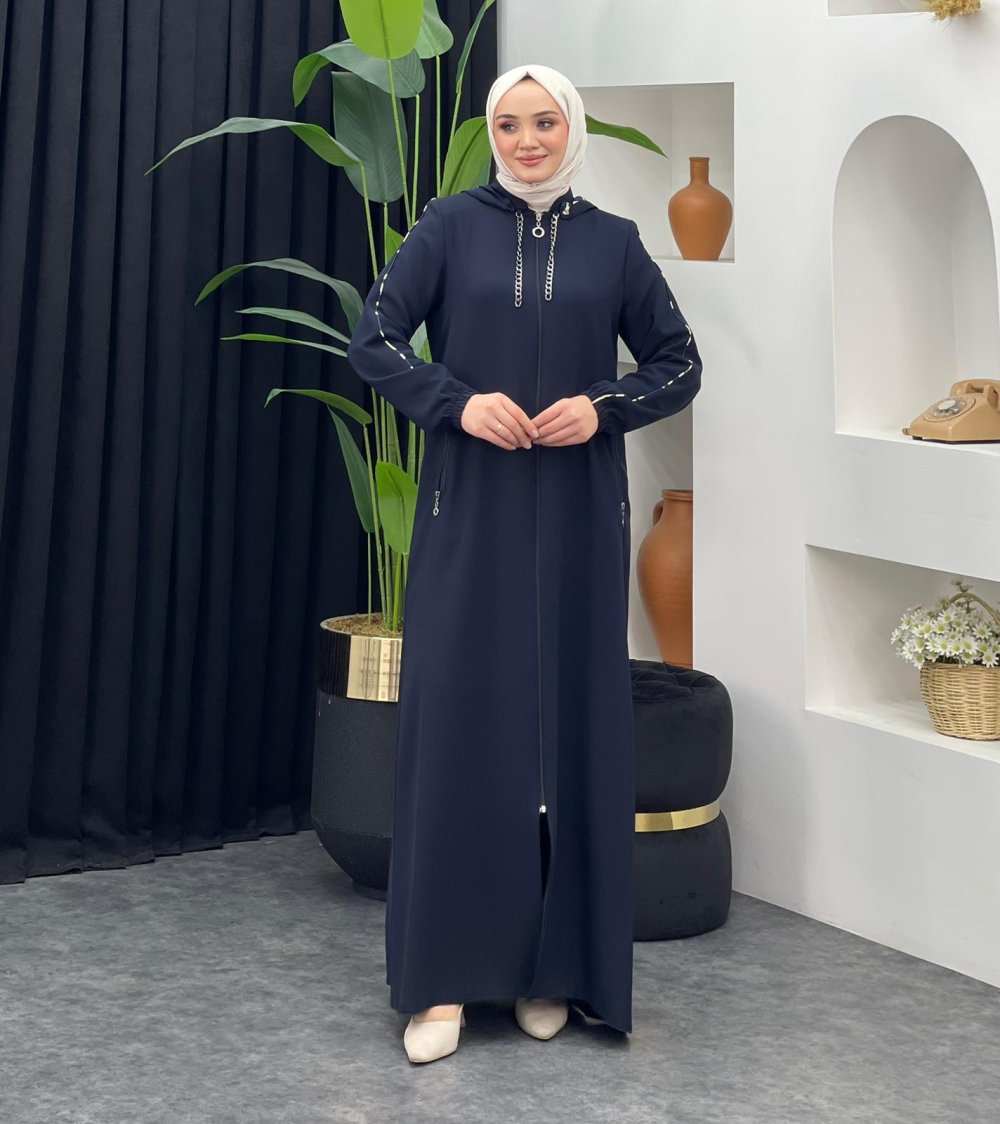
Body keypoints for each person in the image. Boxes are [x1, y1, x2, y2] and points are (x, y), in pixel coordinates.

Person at [346, 63, 703, 1063]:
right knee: (464, 732)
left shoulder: (614, 242)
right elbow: (373, 340)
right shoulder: (447, 228)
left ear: (571, 128)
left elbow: (679, 361)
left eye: (545, 122)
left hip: (582, 514)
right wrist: (456, 403)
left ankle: (558, 970)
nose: (527, 140)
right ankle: (444, 984)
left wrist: (605, 406)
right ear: (492, 133)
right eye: (509, 124)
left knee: (573, 737)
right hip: (470, 509)